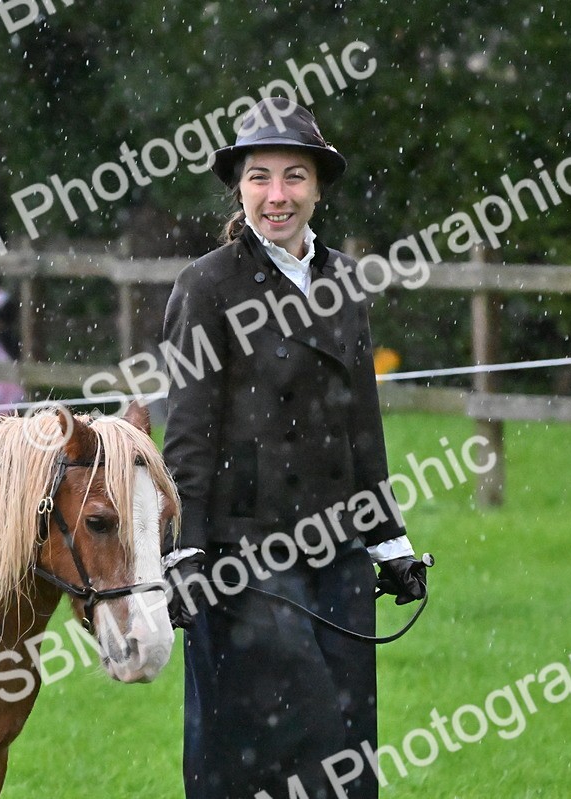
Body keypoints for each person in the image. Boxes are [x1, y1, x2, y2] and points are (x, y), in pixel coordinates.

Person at [161, 98, 429, 799]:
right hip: (243, 556)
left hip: (337, 550)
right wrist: (183, 552)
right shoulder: (206, 286)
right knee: (284, 737)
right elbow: (188, 435)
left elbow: (362, 422)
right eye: (260, 177)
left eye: (293, 177)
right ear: (239, 188)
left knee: (350, 745)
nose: (276, 195)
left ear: (318, 188)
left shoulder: (345, 281)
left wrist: (389, 540)